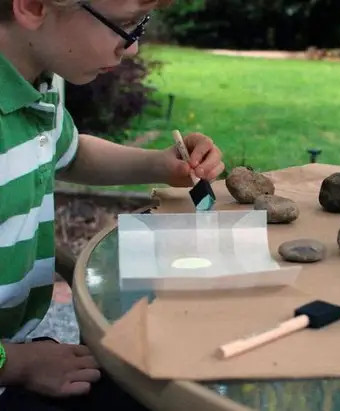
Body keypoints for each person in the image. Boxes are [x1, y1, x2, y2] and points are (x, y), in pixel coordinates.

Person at [0, 0, 225, 409]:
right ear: (33, 6)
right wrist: (14, 365)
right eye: (124, 26)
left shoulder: (30, 86)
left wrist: (159, 164)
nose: (134, 48)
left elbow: (70, 152)